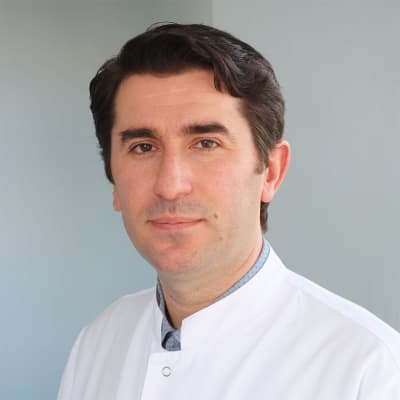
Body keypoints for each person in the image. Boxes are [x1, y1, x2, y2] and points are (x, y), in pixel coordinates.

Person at [58, 23, 400, 399]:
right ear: (114, 181)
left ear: (271, 172)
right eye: (143, 147)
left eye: (206, 143)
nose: (170, 184)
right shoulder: (97, 345)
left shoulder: (370, 371)